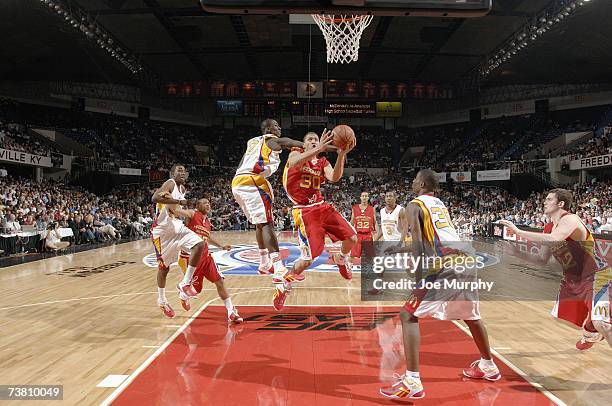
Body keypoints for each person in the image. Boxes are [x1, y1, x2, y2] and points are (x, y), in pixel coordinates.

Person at [380, 169, 499, 400]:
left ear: (422, 183)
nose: (413, 183)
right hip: (465, 258)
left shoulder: (414, 204)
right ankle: (488, 365)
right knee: (471, 315)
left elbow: (419, 242)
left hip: (443, 262)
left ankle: (412, 381)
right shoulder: (439, 204)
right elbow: (436, 236)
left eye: (415, 180)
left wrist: (416, 273)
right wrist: (398, 248)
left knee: (408, 315)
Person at [499, 188, 611, 350]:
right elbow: (541, 259)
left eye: (549, 199)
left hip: (597, 276)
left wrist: (518, 231)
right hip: (574, 281)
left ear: (561, 204)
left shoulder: (571, 219)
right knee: (562, 319)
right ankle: (591, 329)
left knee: (603, 323)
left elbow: (555, 238)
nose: (544, 202)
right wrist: (516, 252)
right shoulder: (548, 227)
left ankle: (596, 326)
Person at [280, 129, 357, 310]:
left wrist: (342, 155)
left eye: (316, 139)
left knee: (352, 238)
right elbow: (293, 163)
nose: (314, 141)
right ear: (304, 144)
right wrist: (319, 148)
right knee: (308, 259)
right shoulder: (296, 152)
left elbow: (334, 177)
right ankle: (284, 285)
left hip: (322, 207)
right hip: (305, 211)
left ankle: (341, 258)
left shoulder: (322, 161)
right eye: (310, 139)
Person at [231, 119, 303, 303]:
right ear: (269, 129)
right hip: (253, 181)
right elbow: (286, 142)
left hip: (238, 181)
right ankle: (279, 268)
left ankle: (264, 263)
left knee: (259, 223)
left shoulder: (252, 142)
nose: (280, 128)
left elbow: (241, 162)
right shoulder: (270, 139)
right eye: (277, 126)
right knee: (267, 224)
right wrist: (307, 145)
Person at [151, 164, 206, 318]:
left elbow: (176, 210)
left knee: (199, 244)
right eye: (179, 171)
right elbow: (154, 198)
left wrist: (186, 212)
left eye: (184, 171)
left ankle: (184, 284)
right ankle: (161, 300)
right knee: (164, 268)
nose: (182, 173)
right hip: (162, 231)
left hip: (176, 227)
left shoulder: (183, 190)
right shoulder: (170, 183)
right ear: (172, 174)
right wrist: (179, 203)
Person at [177, 198, 243, 324]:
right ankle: (183, 295)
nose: (208, 205)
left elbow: (208, 237)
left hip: (207, 257)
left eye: (209, 203)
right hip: (193, 260)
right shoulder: (192, 214)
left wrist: (221, 246)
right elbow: (176, 210)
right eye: (205, 203)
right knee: (196, 290)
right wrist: (173, 200)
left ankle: (231, 312)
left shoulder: (207, 222)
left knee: (220, 281)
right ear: (197, 205)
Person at [349, 191, 378, 263]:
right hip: (357, 234)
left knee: (370, 256)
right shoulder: (355, 208)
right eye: (363, 196)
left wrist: (376, 233)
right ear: (360, 197)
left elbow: (375, 222)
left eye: (366, 196)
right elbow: (352, 221)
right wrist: (348, 232)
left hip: (367, 235)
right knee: (352, 254)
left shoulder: (372, 208)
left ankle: (372, 270)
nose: (364, 197)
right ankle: (349, 267)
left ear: (368, 198)